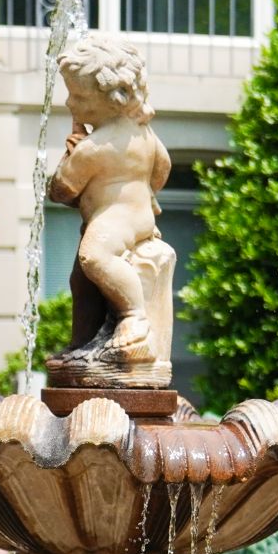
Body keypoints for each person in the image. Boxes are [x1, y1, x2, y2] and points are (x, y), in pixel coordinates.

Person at [48, 33, 174, 367]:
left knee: (93, 257)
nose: (69, 105)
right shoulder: (145, 135)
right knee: (82, 281)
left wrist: (70, 153)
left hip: (114, 221)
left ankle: (134, 317)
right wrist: (147, 193)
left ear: (112, 99)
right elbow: (163, 166)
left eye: (77, 96)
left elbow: (62, 189)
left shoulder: (93, 148)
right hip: (136, 216)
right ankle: (83, 341)